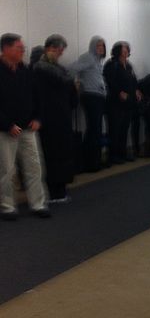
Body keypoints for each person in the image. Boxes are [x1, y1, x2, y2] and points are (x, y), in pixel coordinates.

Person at [0, 33, 50, 219]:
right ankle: (8, 206)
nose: (22, 51)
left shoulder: (26, 71)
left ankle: (38, 204)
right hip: (5, 131)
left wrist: (38, 118)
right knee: (6, 171)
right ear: (5, 49)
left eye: (23, 48)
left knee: (35, 167)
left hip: (28, 128)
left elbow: (38, 98)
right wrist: (7, 125)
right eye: (18, 48)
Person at [33, 34, 78, 203]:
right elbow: (65, 84)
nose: (60, 53)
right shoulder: (40, 68)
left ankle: (60, 188)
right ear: (49, 48)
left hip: (61, 116)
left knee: (62, 154)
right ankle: (53, 191)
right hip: (49, 118)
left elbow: (67, 86)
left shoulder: (57, 69)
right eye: (58, 50)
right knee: (52, 155)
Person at [70, 35, 107, 172]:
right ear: (93, 46)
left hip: (98, 97)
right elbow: (72, 68)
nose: (101, 48)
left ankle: (94, 161)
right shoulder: (88, 57)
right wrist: (76, 83)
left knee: (96, 130)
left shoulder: (97, 61)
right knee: (94, 130)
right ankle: (90, 163)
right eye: (98, 45)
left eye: (103, 45)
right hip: (91, 97)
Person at [103, 41, 141, 164]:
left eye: (127, 50)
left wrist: (136, 90)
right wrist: (119, 92)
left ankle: (122, 153)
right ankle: (113, 156)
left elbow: (134, 80)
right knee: (115, 129)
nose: (126, 52)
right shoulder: (111, 64)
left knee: (124, 128)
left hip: (128, 102)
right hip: (115, 103)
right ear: (118, 51)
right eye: (123, 50)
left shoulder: (128, 65)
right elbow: (110, 81)